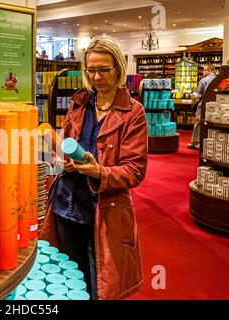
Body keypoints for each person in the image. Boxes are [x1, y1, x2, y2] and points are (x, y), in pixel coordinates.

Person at [39, 37, 148, 300]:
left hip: (102, 212)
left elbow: (135, 170)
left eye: (103, 69)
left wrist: (98, 172)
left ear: (118, 68)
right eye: (91, 70)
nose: (96, 77)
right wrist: (62, 163)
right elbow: (66, 146)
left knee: (99, 283)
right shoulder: (78, 104)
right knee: (69, 279)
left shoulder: (133, 112)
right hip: (65, 204)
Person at [188, 64, 216, 149]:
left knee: (198, 123)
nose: (202, 71)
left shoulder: (203, 81)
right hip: (214, 105)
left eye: (204, 70)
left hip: (203, 105)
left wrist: (193, 99)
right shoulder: (217, 79)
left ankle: (195, 142)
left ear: (209, 70)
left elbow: (197, 95)